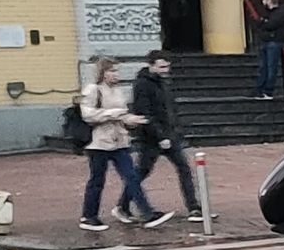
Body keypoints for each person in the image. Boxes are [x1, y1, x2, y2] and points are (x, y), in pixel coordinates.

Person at [77, 57, 172, 232]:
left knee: (132, 177)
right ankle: (89, 216)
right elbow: (88, 115)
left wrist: (131, 120)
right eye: (112, 71)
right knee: (97, 180)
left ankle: (147, 213)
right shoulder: (93, 90)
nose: (116, 74)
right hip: (98, 143)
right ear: (103, 73)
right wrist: (116, 114)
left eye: (116, 71)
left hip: (119, 142)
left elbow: (123, 114)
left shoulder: (118, 91)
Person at [131, 52, 202, 221]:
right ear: (151, 65)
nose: (166, 70)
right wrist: (160, 136)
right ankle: (123, 205)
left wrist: (174, 130)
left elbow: (169, 109)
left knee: (184, 168)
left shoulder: (163, 82)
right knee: (142, 171)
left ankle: (193, 207)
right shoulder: (142, 85)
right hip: (152, 138)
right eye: (162, 66)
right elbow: (145, 112)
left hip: (169, 134)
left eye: (167, 66)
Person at [251, 0, 284, 100]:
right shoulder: (269, 13)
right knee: (264, 67)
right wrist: (263, 23)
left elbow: (270, 25)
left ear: (269, 0)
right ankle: (260, 89)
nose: (263, 2)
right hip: (266, 41)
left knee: (271, 67)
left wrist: (263, 23)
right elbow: (263, 24)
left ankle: (268, 91)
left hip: (274, 42)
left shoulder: (280, 13)